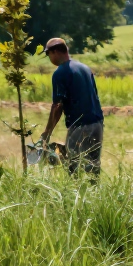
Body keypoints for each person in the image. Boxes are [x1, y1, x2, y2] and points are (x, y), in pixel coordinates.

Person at [39, 38, 104, 175]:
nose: (49, 57)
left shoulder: (60, 73)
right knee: (93, 168)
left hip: (80, 126)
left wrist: (47, 132)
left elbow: (57, 106)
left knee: (75, 169)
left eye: (48, 54)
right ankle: (95, 194)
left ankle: (76, 196)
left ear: (55, 51)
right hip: (97, 123)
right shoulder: (85, 68)